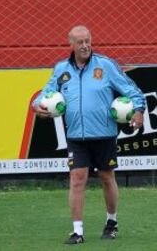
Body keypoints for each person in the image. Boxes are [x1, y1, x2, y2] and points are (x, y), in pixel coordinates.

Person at [32, 25, 146, 244]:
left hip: (104, 134)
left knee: (106, 177)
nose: (85, 46)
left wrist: (139, 110)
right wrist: (37, 105)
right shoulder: (61, 70)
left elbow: (132, 90)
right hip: (76, 136)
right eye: (80, 42)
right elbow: (46, 93)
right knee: (77, 179)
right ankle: (77, 231)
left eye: (88, 41)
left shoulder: (106, 65)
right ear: (71, 44)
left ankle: (111, 222)